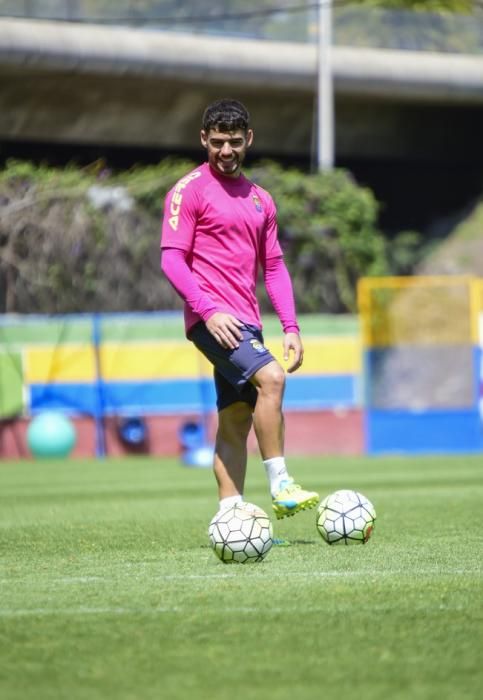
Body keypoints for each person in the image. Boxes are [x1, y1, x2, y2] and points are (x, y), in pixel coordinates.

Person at [160, 98, 319, 519]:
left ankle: (230, 517)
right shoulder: (187, 191)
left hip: (248, 321)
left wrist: (290, 326)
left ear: (248, 139)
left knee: (235, 418)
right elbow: (171, 260)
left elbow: (274, 266)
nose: (225, 151)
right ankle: (281, 483)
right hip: (211, 321)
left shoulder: (261, 200)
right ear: (203, 140)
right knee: (272, 379)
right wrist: (208, 311)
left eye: (233, 142)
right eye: (216, 143)